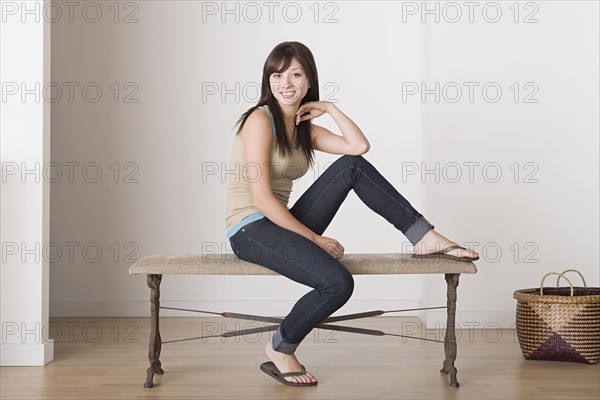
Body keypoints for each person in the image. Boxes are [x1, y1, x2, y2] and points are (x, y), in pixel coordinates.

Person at [225, 41, 479, 387]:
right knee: (337, 282)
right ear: (267, 81)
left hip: (281, 224)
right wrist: (315, 239)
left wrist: (330, 108)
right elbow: (262, 199)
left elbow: (358, 148)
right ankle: (281, 348)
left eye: (296, 74)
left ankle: (424, 236)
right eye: (277, 75)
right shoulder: (259, 119)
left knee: (352, 167)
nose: (286, 83)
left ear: (308, 80)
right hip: (250, 229)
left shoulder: (304, 128)